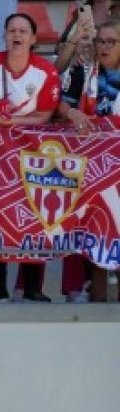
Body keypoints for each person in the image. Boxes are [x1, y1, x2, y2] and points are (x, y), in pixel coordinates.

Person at [0, 12, 60, 303]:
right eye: (12, 30)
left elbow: (45, 116)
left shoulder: (45, 71)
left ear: (34, 38)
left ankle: (33, 287)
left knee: (34, 217)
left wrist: (9, 123)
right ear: (5, 35)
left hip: (31, 153)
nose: (17, 35)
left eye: (23, 30)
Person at [57, 18, 120, 303]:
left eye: (110, 42)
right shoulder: (82, 71)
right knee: (81, 225)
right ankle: (78, 287)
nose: (104, 47)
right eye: (99, 41)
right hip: (87, 165)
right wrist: (72, 114)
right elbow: (60, 103)